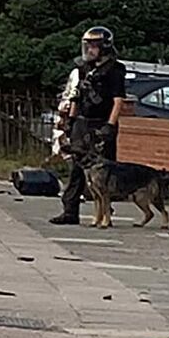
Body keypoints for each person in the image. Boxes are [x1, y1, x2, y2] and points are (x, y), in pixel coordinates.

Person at [52, 26, 127, 227]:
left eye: (93, 46)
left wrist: (110, 125)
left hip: (101, 123)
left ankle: (105, 212)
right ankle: (70, 210)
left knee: (104, 170)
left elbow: (118, 100)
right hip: (83, 123)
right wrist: (71, 121)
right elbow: (77, 96)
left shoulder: (115, 70)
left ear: (103, 47)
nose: (89, 50)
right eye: (87, 45)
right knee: (77, 167)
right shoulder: (84, 68)